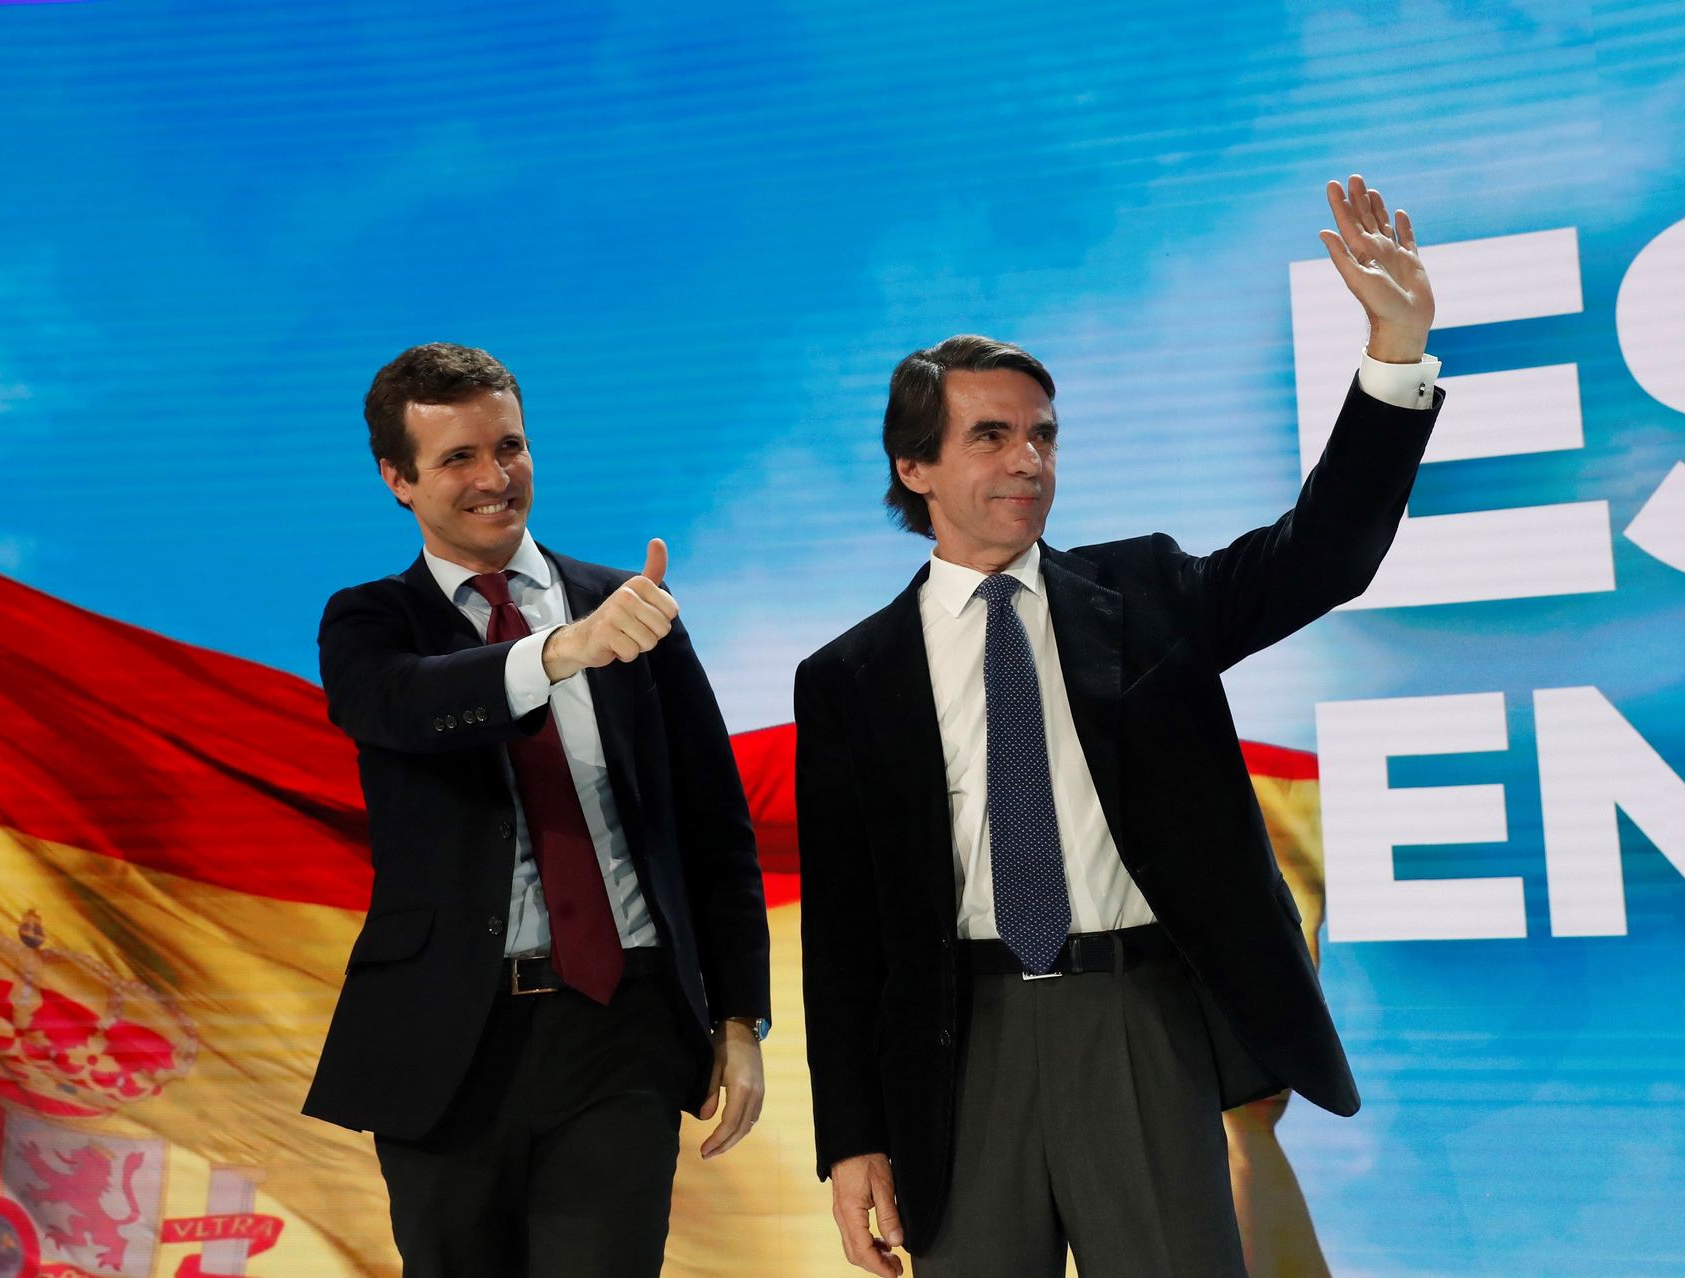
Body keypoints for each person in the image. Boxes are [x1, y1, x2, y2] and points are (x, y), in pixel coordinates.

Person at [795, 176, 1442, 1278]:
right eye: (990, 436)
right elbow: (844, 935)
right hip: (959, 1050)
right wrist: (852, 1140)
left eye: (1043, 434)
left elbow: (1326, 554)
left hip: (1138, 1020)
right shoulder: (849, 676)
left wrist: (1393, 352)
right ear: (916, 468)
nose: (1028, 460)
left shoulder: (1144, 594)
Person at [303, 342, 770, 1278]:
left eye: (508, 447)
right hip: (447, 1043)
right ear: (398, 480)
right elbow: (403, 706)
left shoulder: (630, 610)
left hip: (621, 1025)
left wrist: (738, 1020)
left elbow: (714, 827)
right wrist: (560, 652)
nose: (494, 478)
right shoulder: (369, 622)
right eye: (458, 459)